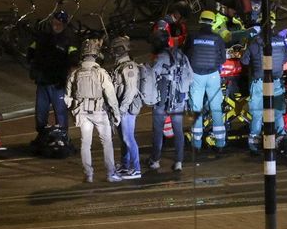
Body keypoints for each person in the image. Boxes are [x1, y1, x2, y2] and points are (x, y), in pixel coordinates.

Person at [65, 38, 122, 183]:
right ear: (96, 54)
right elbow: (110, 95)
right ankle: (110, 174)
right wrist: (116, 113)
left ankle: (88, 174)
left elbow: (67, 98)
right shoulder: (101, 72)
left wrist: (74, 110)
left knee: (85, 143)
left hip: (82, 112)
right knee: (106, 143)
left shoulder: (75, 73)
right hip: (99, 112)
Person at [27, 10, 78, 137]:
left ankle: (63, 136)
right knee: (41, 112)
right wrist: (32, 61)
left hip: (58, 83)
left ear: (64, 24)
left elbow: (74, 58)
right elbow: (31, 49)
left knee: (60, 112)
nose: (56, 25)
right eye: (55, 22)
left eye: (59, 23)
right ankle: (42, 136)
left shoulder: (69, 39)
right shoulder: (43, 36)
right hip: (43, 81)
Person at [186, 10, 231, 151]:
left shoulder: (192, 37)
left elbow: (185, 54)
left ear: (200, 20)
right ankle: (220, 143)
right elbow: (223, 59)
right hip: (213, 76)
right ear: (212, 22)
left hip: (196, 76)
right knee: (216, 109)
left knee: (196, 109)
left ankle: (197, 144)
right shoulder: (217, 39)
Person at [242, 23, 287, 154]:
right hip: (276, 82)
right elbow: (285, 59)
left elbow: (244, 61)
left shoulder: (255, 42)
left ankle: (255, 143)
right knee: (278, 112)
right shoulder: (281, 42)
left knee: (257, 113)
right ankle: (281, 139)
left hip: (259, 82)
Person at [149, 39, 193, 172]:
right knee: (178, 131)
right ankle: (179, 162)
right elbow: (190, 77)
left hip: (161, 101)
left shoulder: (161, 57)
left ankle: (155, 160)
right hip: (178, 100)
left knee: (157, 131)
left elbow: (151, 75)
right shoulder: (182, 57)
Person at [109, 35, 143, 179]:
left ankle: (136, 169)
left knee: (128, 138)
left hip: (127, 109)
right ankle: (125, 165)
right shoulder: (120, 66)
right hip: (120, 107)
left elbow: (131, 91)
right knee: (124, 138)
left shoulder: (129, 67)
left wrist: (121, 110)